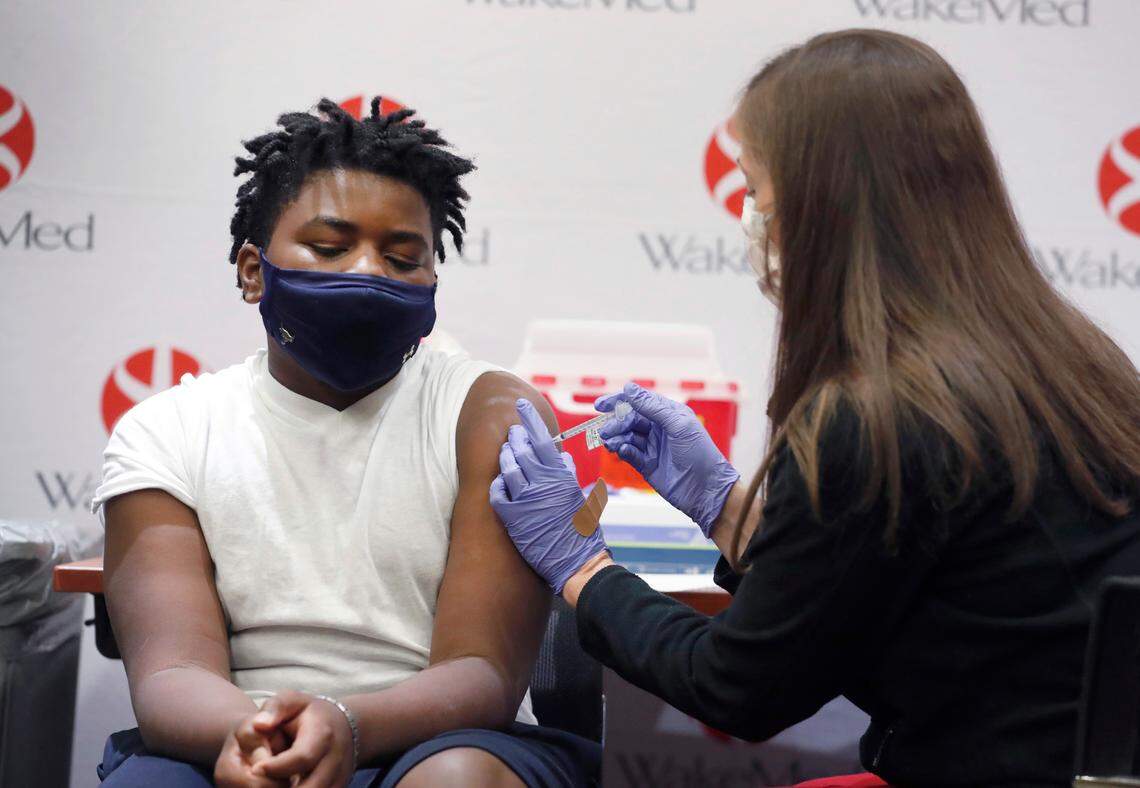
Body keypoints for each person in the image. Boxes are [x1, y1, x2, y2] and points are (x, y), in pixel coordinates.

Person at [490, 29, 1140, 787]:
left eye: (754, 189)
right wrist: (725, 507)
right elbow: (875, 599)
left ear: (822, 202)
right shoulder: (1072, 359)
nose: (749, 215)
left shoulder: (877, 417)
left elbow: (740, 684)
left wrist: (579, 564)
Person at [92, 98, 599, 788]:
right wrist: (254, 738)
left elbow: (481, 672)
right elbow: (172, 672)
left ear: (432, 284)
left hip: (438, 740)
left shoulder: (486, 413)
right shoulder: (168, 431)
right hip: (233, 735)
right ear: (252, 271)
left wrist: (346, 725)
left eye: (403, 257)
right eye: (330, 248)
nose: (367, 273)